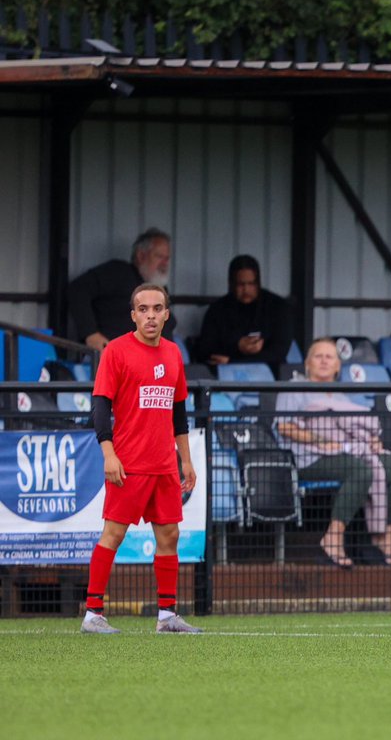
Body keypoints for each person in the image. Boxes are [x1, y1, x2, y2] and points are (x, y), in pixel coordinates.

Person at [81, 284, 199, 634]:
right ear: (133, 314)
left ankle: (166, 616)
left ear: (167, 314)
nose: (150, 315)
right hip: (128, 463)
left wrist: (186, 460)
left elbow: (178, 412)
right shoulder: (116, 351)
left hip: (164, 464)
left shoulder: (174, 354)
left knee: (171, 535)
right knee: (113, 534)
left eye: (157, 308)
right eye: (143, 308)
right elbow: (100, 407)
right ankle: (93, 614)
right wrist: (108, 453)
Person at [275, 338, 391, 568]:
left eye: (329, 357)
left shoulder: (342, 397)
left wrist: (371, 441)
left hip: (348, 451)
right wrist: (322, 441)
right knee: (360, 470)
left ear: (338, 366)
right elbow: (285, 427)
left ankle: (384, 536)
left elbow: (354, 428)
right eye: (318, 356)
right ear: (307, 363)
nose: (323, 361)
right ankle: (333, 537)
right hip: (309, 457)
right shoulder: (293, 389)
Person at [68, 228, 176, 350]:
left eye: (167, 258)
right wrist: (90, 333)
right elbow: (77, 289)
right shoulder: (119, 272)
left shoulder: (159, 288)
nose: (165, 263)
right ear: (141, 256)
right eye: (159, 256)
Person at [191, 254, 294, 369]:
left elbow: (279, 352)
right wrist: (238, 346)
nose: (246, 290)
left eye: (251, 284)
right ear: (231, 283)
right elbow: (205, 351)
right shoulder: (218, 310)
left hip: (272, 376)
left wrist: (234, 361)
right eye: (240, 284)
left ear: (258, 283)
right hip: (225, 379)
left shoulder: (278, 307)